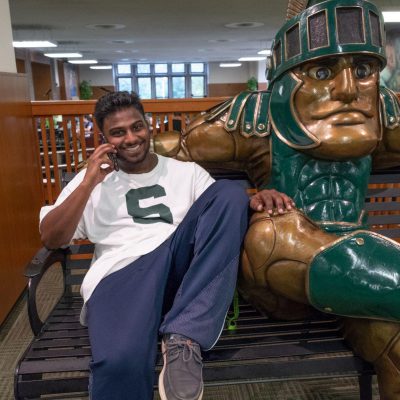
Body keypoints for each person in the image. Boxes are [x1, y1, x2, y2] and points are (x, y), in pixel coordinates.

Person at [39, 91, 293, 400]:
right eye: (118, 133)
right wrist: (89, 181)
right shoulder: (90, 180)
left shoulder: (186, 172)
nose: (131, 138)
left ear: (148, 126)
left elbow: (220, 216)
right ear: (104, 139)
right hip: (120, 275)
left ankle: (184, 335)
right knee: (119, 364)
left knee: (229, 194)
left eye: (137, 127)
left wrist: (255, 200)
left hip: (178, 273)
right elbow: (52, 238)